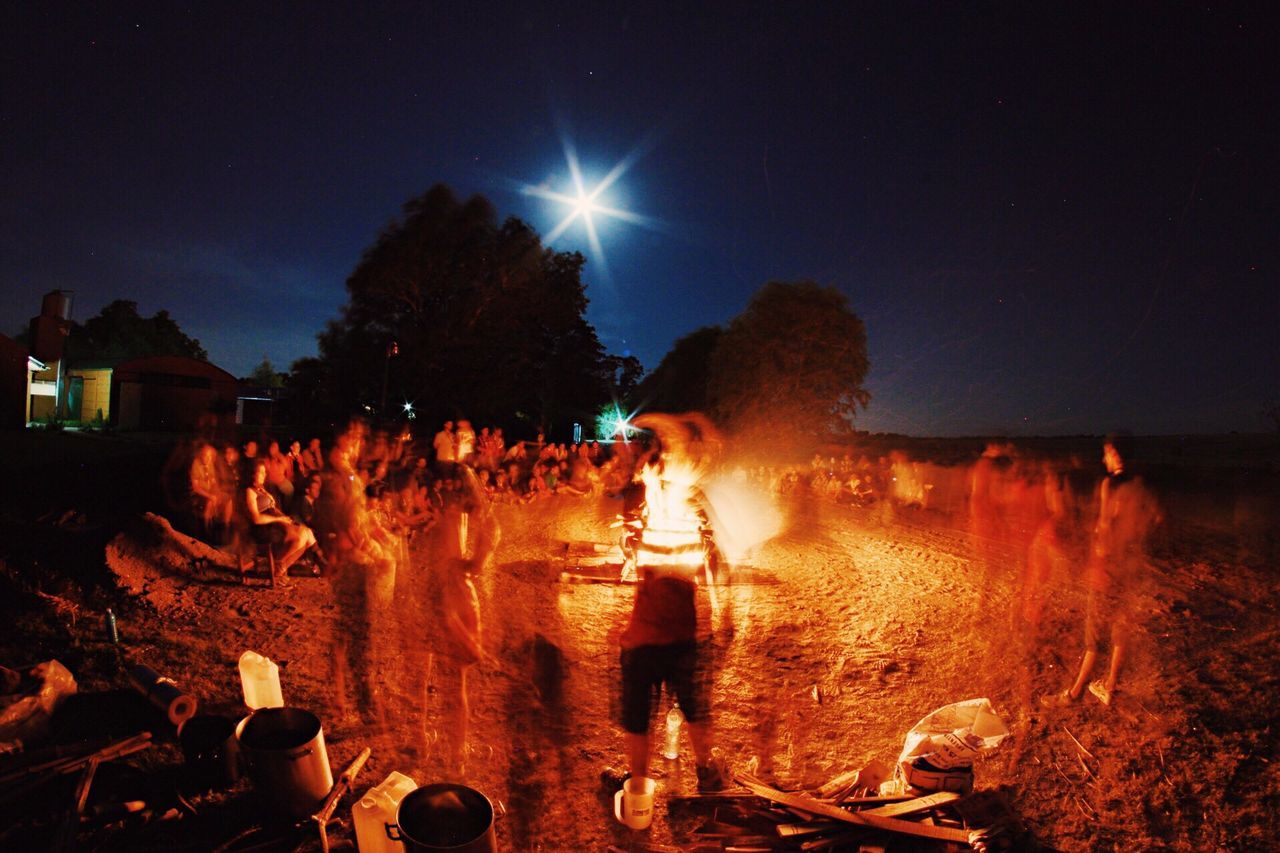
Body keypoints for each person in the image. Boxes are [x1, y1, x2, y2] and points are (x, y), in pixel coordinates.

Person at [612, 453, 729, 807]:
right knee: (693, 709)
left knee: (641, 718)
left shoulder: (653, 527)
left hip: (647, 639)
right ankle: (705, 771)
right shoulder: (689, 527)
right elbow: (712, 567)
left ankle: (639, 782)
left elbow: (638, 558)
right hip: (680, 638)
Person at [1049, 436, 1161, 708]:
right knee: (1120, 625)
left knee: (1094, 635)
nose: (1104, 459)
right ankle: (1110, 686)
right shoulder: (1142, 487)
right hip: (1128, 566)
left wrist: (1097, 554)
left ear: (1115, 456)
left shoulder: (1109, 484)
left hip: (1108, 568)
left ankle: (1073, 694)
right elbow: (1156, 519)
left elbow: (1105, 525)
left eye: (1107, 454)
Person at [245, 460, 317, 587]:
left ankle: (279, 570)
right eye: (259, 472)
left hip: (275, 523)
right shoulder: (249, 491)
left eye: (264, 472)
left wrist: (284, 518)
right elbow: (256, 518)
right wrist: (279, 519)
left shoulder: (262, 489)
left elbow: (272, 508)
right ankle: (278, 567)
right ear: (252, 474)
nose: (263, 475)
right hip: (263, 527)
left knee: (306, 534)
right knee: (300, 537)